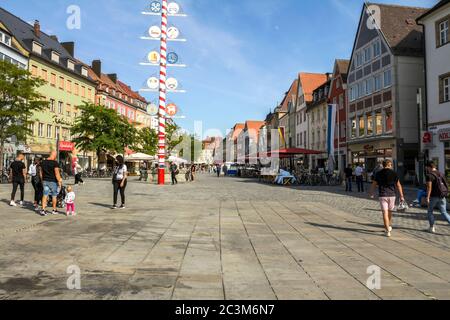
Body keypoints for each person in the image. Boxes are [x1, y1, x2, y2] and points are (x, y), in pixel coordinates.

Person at [369, 160, 405, 238]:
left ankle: (387, 230)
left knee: (384, 213)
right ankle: (389, 226)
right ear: (389, 165)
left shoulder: (378, 173)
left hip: (383, 195)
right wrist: (401, 196)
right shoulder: (394, 173)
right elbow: (398, 185)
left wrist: (371, 193)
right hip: (392, 195)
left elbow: (374, 184)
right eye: (391, 165)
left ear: (383, 165)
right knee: (389, 212)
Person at [425, 161, 450, 234]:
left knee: (430, 211)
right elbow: (446, 184)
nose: (426, 168)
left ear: (429, 167)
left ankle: (431, 227)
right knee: (444, 212)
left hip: (433, 196)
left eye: (427, 167)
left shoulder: (429, 175)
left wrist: (427, 197)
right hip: (442, 196)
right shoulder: (441, 173)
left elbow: (429, 187)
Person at [40, 151, 63, 216]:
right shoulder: (55, 163)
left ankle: (43, 210)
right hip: (53, 181)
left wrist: (42, 180)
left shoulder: (43, 162)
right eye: (56, 155)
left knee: (45, 195)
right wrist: (59, 181)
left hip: (45, 181)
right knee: (54, 195)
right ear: (54, 155)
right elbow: (57, 173)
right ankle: (54, 209)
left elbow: (41, 173)